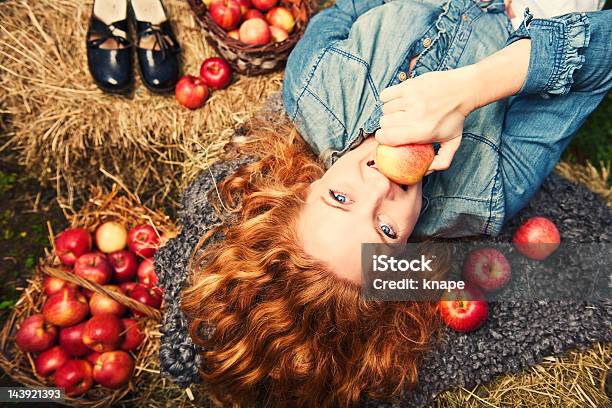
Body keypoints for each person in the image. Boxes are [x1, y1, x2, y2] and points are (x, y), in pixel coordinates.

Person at [178, 0, 611, 406]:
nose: (381, 187)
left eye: (340, 197)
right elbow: (601, 53)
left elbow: (354, 5)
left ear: (303, 191)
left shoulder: (312, 84)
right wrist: (475, 87)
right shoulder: (487, 193)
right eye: (385, 230)